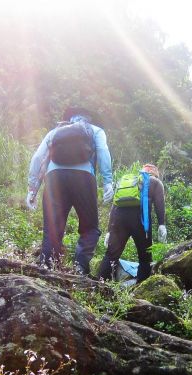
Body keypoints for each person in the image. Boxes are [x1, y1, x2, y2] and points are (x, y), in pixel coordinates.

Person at [26, 106, 114, 275]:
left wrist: (32, 188)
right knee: (90, 229)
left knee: (52, 229)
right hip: (84, 178)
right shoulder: (95, 130)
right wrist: (108, 181)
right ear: (88, 118)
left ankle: (47, 270)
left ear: (69, 118)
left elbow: (37, 158)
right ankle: (79, 268)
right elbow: (103, 151)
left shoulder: (55, 132)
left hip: (54, 179)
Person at [97, 163, 167, 283]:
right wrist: (162, 225)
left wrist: (109, 230)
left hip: (119, 219)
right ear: (154, 172)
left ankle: (100, 284)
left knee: (111, 255)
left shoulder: (128, 183)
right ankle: (141, 287)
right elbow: (160, 205)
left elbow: (114, 206)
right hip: (140, 221)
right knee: (145, 257)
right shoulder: (155, 181)